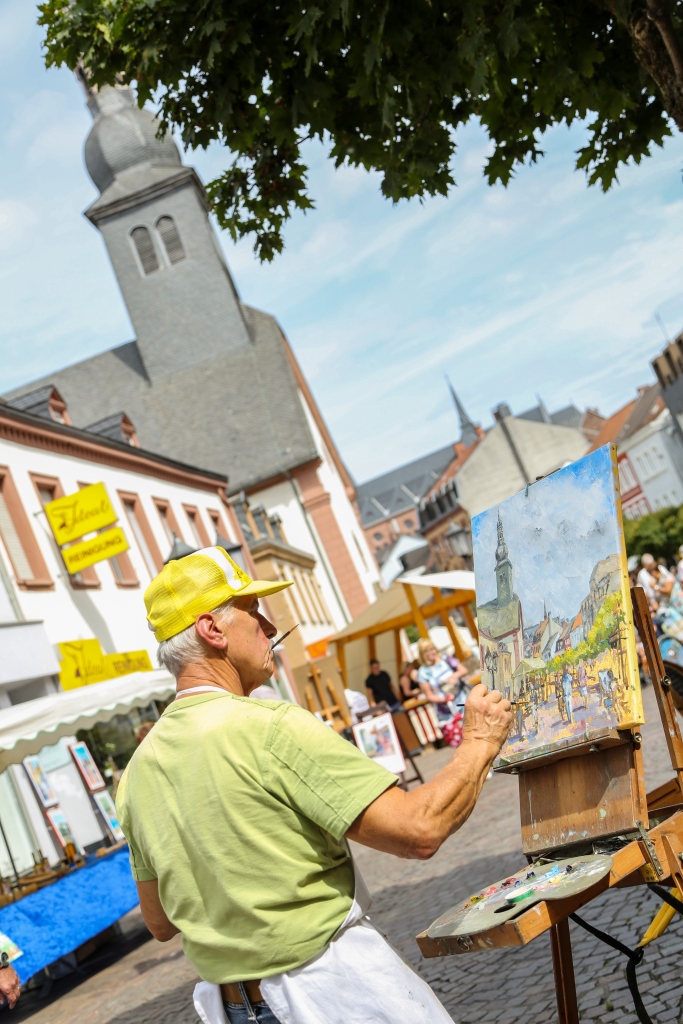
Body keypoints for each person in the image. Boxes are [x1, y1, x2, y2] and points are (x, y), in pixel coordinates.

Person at [117, 546, 511, 1024]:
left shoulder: (136, 773)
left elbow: (158, 921)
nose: (268, 626)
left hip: (236, 1006)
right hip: (328, 991)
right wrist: (479, 742)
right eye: (253, 611)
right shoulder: (268, 726)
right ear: (212, 629)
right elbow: (417, 829)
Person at [416, 639, 463, 721]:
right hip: (446, 712)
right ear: (422, 654)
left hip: (463, 701)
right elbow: (429, 695)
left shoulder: (445, 658)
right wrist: (445, 699)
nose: (431, 652)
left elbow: (463, 670)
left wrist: (455, 676)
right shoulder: (422, 672)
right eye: (427, 651)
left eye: (432, 649)